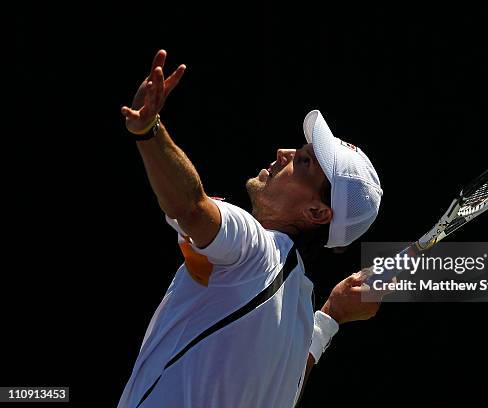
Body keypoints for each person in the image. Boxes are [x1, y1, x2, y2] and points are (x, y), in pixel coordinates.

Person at [118, 50, 384, 408]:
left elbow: (191, 207)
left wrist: (149, 131)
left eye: (303, 161)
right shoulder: (300, 312)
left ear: (317, 212)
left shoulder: (256, 249)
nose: (283, 152)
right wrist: (331, 315)